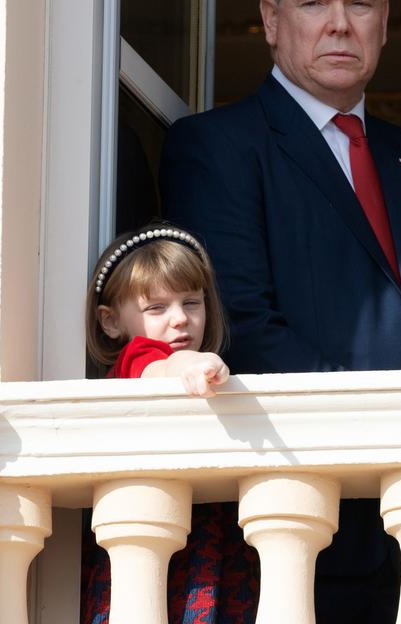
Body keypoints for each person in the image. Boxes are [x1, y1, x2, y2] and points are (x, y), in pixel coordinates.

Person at [159, 0, 401, 624]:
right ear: (271, 19)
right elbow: (244, 326)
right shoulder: (216, 148)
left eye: (359, 4)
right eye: (313, 3)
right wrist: (390, 427)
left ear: (384, 21)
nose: (340, 25)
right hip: (292, 518)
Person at [81, 223, 261, 623]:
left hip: (209, 546)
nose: (179, 319)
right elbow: (157, 365)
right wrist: (190, 363)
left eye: (191, 303)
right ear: (111, 322)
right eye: (156, 308)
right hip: (162, 543)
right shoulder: (136, 359)